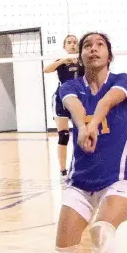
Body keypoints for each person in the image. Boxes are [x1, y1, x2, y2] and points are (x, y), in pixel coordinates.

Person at [52, 32, 127, 253]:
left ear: (109, 55)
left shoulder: (123, 80)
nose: (93, 49)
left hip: (119, 179)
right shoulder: (69, 86)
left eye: (99, 44)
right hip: (81, 183)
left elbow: (106, 100)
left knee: (102, 230)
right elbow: (75, 107)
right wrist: (82, 125)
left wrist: (92, 123)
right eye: (87, 45)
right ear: (80, 56)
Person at [44, 35, 84, 179]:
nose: (72, 45)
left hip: (78, 100)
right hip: (61, 100)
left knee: (82, 133)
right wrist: (62, 60)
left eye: (75, 42)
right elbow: (46, 69)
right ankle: (62, 171)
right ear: (64, 46)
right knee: (64, 135)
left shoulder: (82, 62)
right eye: (69, 42)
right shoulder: (61, 61)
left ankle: (81, 167)